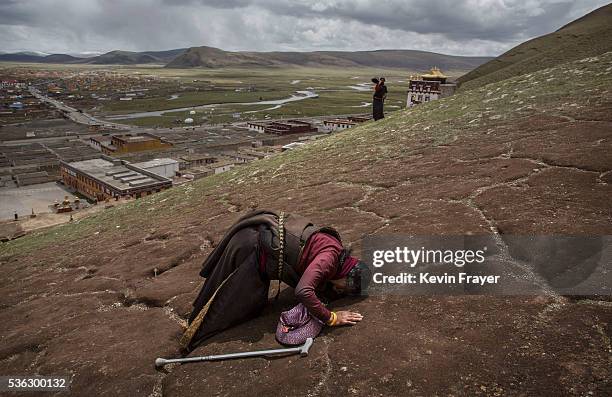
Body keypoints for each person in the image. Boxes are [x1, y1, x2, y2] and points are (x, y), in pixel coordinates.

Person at [180, 209, 370, 352]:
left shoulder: (336, 250)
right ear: (347, 275)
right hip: (249, 249)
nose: (340, 291)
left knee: (229, 292)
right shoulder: (329, 258)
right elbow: (304, 290)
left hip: (253, 238)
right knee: (230, 303)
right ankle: (195, 337)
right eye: (344, 288)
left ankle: (196, 321)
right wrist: (332, 318)